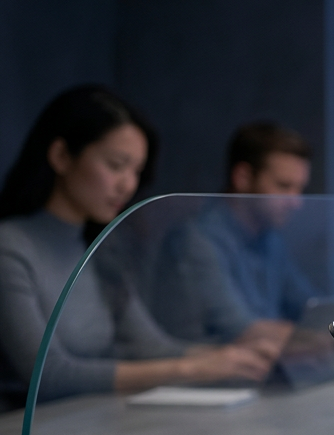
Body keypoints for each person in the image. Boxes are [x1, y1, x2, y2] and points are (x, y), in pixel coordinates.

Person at [0, 86, 276, 407]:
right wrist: (191, 369)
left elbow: (150, 346)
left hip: (88, 425)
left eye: (136, 171)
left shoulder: (98, 248)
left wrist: (234, 356)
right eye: (116, 165)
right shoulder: (10, 247)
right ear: (61, 156)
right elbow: (48, 375)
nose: (127, 185)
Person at [150, 121, 316, 343]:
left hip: (263, 368)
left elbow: (306, 303)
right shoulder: (197, 240)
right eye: (284, 186)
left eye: (300, 189)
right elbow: (240, 329)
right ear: (243, 178)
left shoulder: (269, 238)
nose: (296, 203)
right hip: (209, 373)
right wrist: (323, 337)